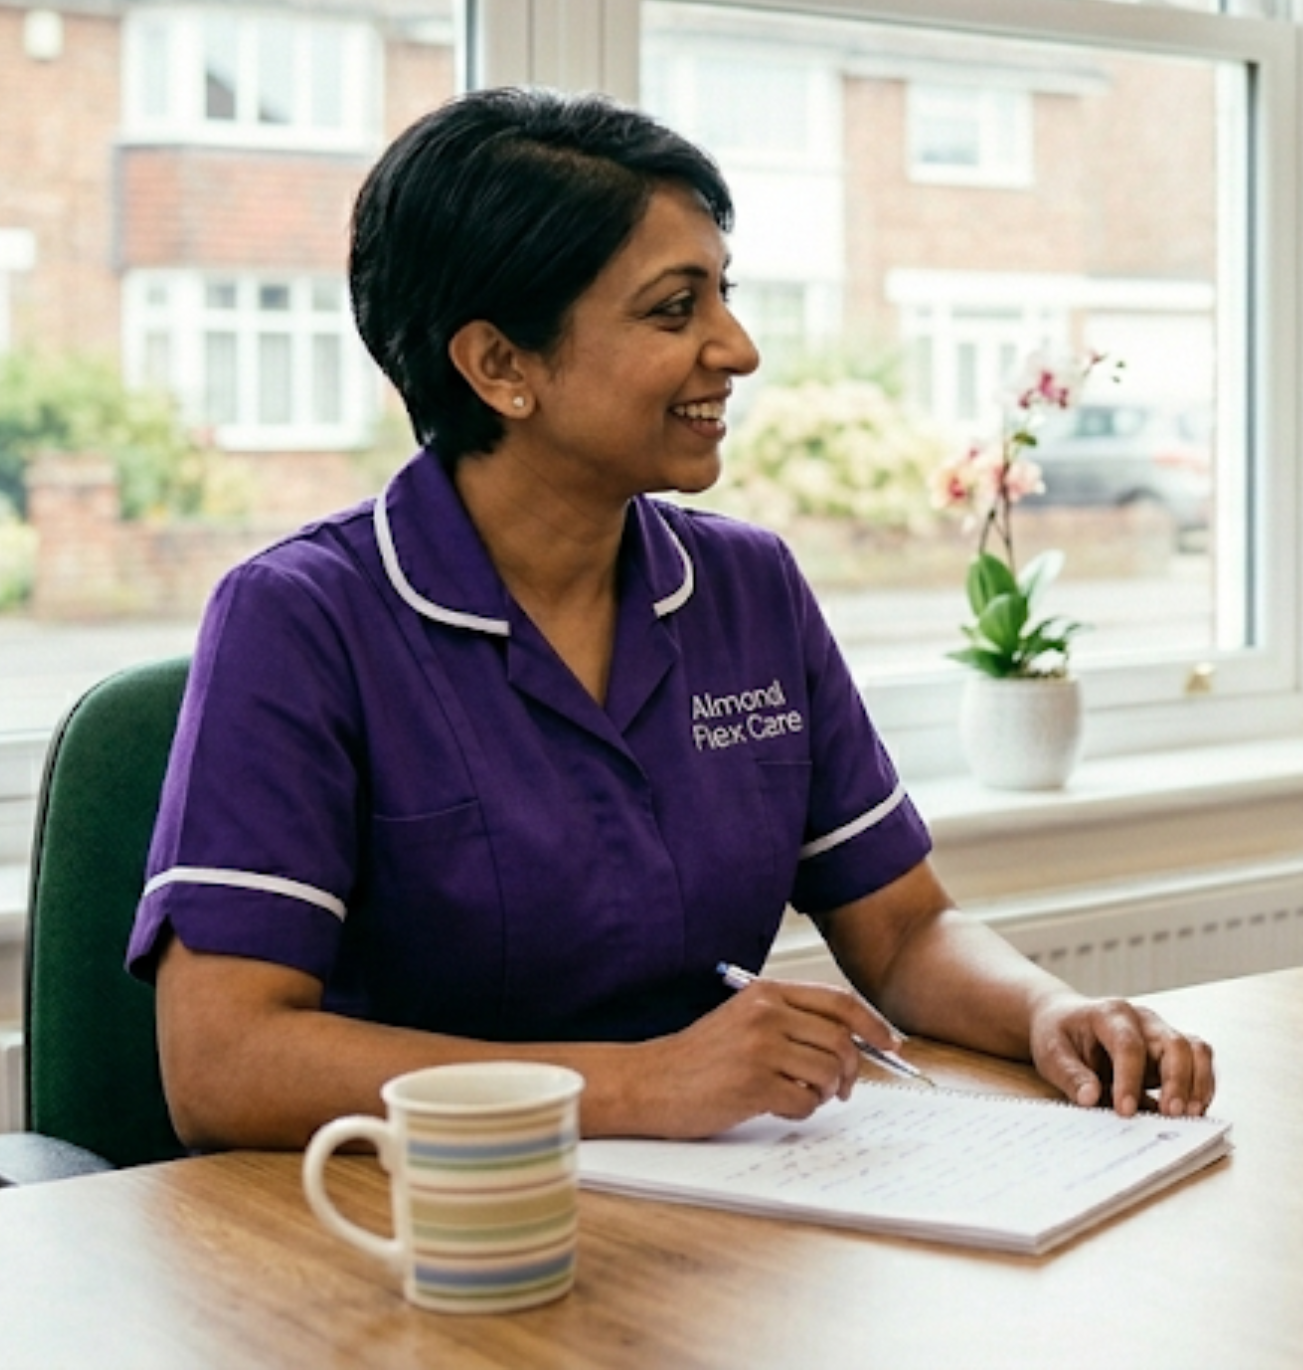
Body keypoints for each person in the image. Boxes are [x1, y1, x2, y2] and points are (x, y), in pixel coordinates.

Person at [130, 87, 1214, 1150]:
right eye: (674, 308)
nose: (737, 348)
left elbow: (904, 929)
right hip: (415, 1241)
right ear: (500, 365)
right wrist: (644, 1083)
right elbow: (224, 1063)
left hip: (713, 1232)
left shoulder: (750, 589)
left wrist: (1045, 1013)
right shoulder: (300, 619)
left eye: (723, 294)